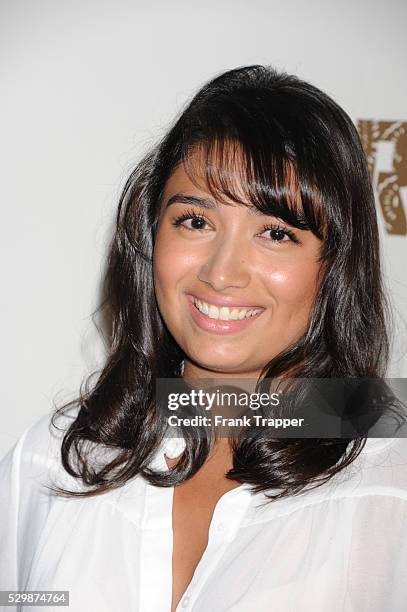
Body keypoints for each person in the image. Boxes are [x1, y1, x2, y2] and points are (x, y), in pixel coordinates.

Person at [1, 64, 406, 612]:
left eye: (276, 233)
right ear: (150, 236)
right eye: (195, 221)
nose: (222, 272)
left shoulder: (390, 483)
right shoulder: (57, 459)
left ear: (334, 267)